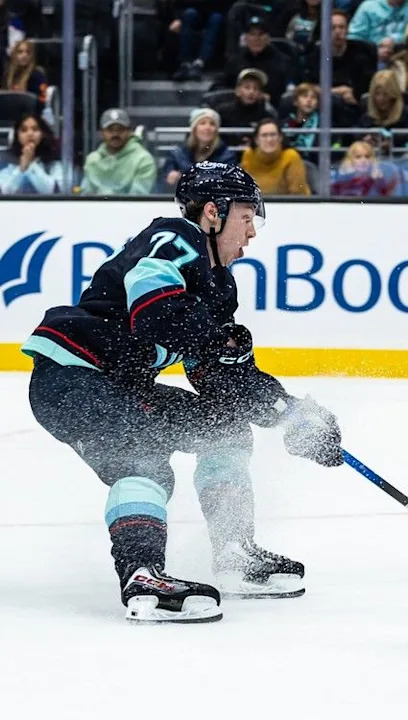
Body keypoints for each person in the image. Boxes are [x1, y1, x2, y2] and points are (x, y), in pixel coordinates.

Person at [22, 162, 343, 623]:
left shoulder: (216, 287)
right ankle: (142, 576)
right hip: (72, 376)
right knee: (143, 458)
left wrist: (290, 415)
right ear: (213, 213)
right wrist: (215, 340)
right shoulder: (176, 237)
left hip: (110, 385)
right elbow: (154, 310)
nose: (252, 233)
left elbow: (222, 383)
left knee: (226, 428)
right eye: (246, 217)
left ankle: (234, 553)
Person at [80, 108, 157, 196]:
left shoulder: (143, 160)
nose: (115, 134)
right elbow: (86, 195)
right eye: (110, 130)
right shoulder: (92, 160)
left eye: (120, 130)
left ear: (129, 132)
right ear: (102, 133)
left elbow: (138, 198)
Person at [216, 15, 292, 104]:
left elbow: (287, 92)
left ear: (268, 38)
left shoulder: (282, 61)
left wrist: (269, 97)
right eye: (252, 34)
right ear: (246, 38)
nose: (256, 39)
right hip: (237, 106)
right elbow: (221, 85)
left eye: (260, 34)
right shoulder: (235, 59)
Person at [161, 107, 237, 190]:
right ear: (194, 128)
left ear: (216, 130)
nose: (207, 127)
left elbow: (226, 183)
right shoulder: (176, 154)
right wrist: (170, 177)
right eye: (202, 123)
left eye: (212, 124)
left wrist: (184, 177)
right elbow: (164, 181)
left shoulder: (228, 156)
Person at [242, 117, 311, 195]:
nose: (269, 139)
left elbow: (298, 194)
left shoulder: (291, 156)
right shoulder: (249, 155)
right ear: (256, 140)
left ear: (280, 138)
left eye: (273, 135)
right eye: (264, 135)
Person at [348, 0, 408, 64]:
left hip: (406, 56)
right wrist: (373, 51)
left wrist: (395, 42)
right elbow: (354, 38)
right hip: (372, 57)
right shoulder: (368, 6)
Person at [0, 111, 63, 194]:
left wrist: (31, 165)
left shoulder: (53, 163)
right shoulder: (6, 161)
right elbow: (5, 192)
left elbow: (53, 191)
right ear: (17, 135)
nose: (30, 134)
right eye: (24, 130)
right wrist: (21, 169)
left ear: (42, 134)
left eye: (35, 129)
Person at [170, 1, 231, 81]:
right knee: (189, 14)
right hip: (194, 10)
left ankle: (199, 63)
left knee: (216, 18)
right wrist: (178, 17)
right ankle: (185, 64)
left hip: (218, 11)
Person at [214, 68, 277, 132]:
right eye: (247, 87)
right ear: (237, 91)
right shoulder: (222, 112)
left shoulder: (266, 116)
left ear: (260, 94)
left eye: (256, 88)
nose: (251, 92)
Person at [331, 140, 400, 196]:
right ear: (350, 159)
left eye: (367, 156)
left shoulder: (379, 178)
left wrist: (378, 181)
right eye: (358, 157)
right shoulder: (340, 178)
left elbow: (386, 196)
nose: (363, 160)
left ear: (372, 159)